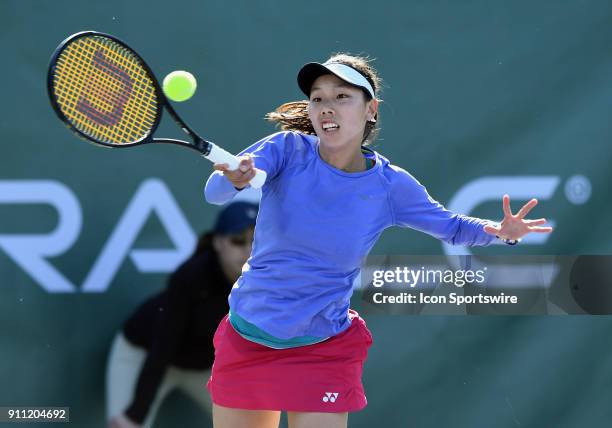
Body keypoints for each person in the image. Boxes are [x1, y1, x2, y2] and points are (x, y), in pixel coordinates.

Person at [204, 53, 553, 428]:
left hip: (323, 348)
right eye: (318, 98)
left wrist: (501, 233)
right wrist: (237, 178)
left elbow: (451, 226)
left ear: (370, 109)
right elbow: (215, 191)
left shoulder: (390, 186)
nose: (326, 108)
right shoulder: (286, 149)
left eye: (341, 97)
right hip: (248, 338)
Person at [105, 201, 259, 428]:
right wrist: (135, 414)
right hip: (144, 354)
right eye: (237, 240)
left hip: (206, 367)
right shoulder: (191, 276)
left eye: (256, 242)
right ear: (217, 242)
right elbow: (163, 345)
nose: (247, 250)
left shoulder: (268, 282)